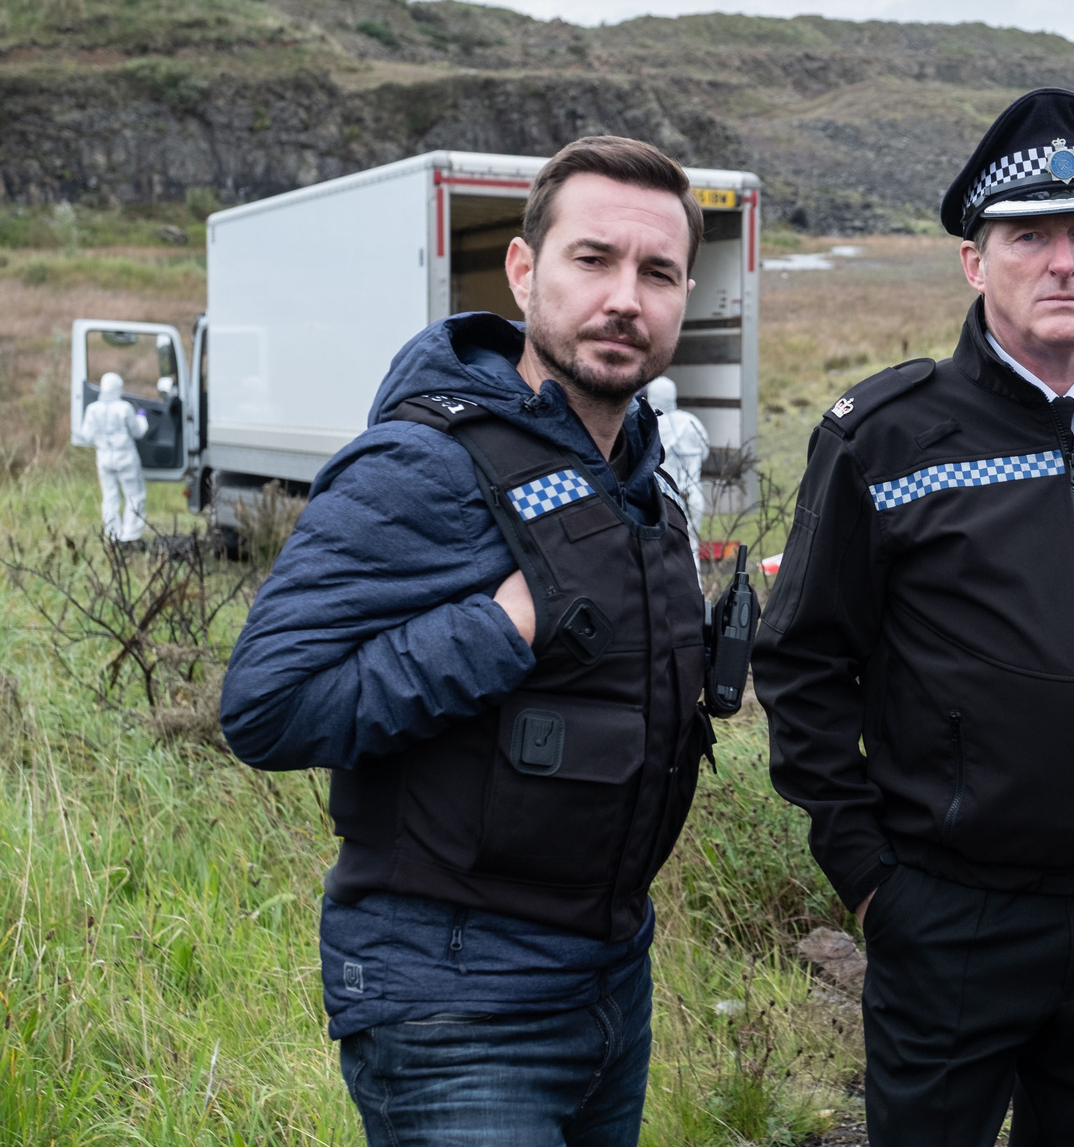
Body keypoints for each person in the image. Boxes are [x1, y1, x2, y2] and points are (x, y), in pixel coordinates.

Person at [754, 88, 1074, 1147]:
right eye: (1027, 235)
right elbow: (803, 664)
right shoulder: (883, 437)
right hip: (948, 914)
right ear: (973, 262)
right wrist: (867, 881)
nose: (1061, 261)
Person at [221, 137, 715, 1147]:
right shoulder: (424, 462)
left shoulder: (640, 476)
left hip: (612, 978)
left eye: (655, 272)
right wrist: (500, 627)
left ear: (682, 297)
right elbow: (265, 705)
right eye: (593, 259)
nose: (624, 296)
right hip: (456, 998)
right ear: (524, 272)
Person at [81, 371, 148, 541]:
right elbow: (138, 431)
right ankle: (130, 536)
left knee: (110, 498)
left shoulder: (92, 409)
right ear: (118, 388)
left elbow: (86, 435)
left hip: (104, 458)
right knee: (134, 496)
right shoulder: (124, 408)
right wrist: (142, 418)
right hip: (125, 457)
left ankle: (112, 535)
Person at [647, 375, 709, 553]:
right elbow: (704, 452)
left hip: (664, 497)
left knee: (666, 550)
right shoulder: (691, 422)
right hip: (694, 493)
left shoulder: (650, 423)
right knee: (692, 549)